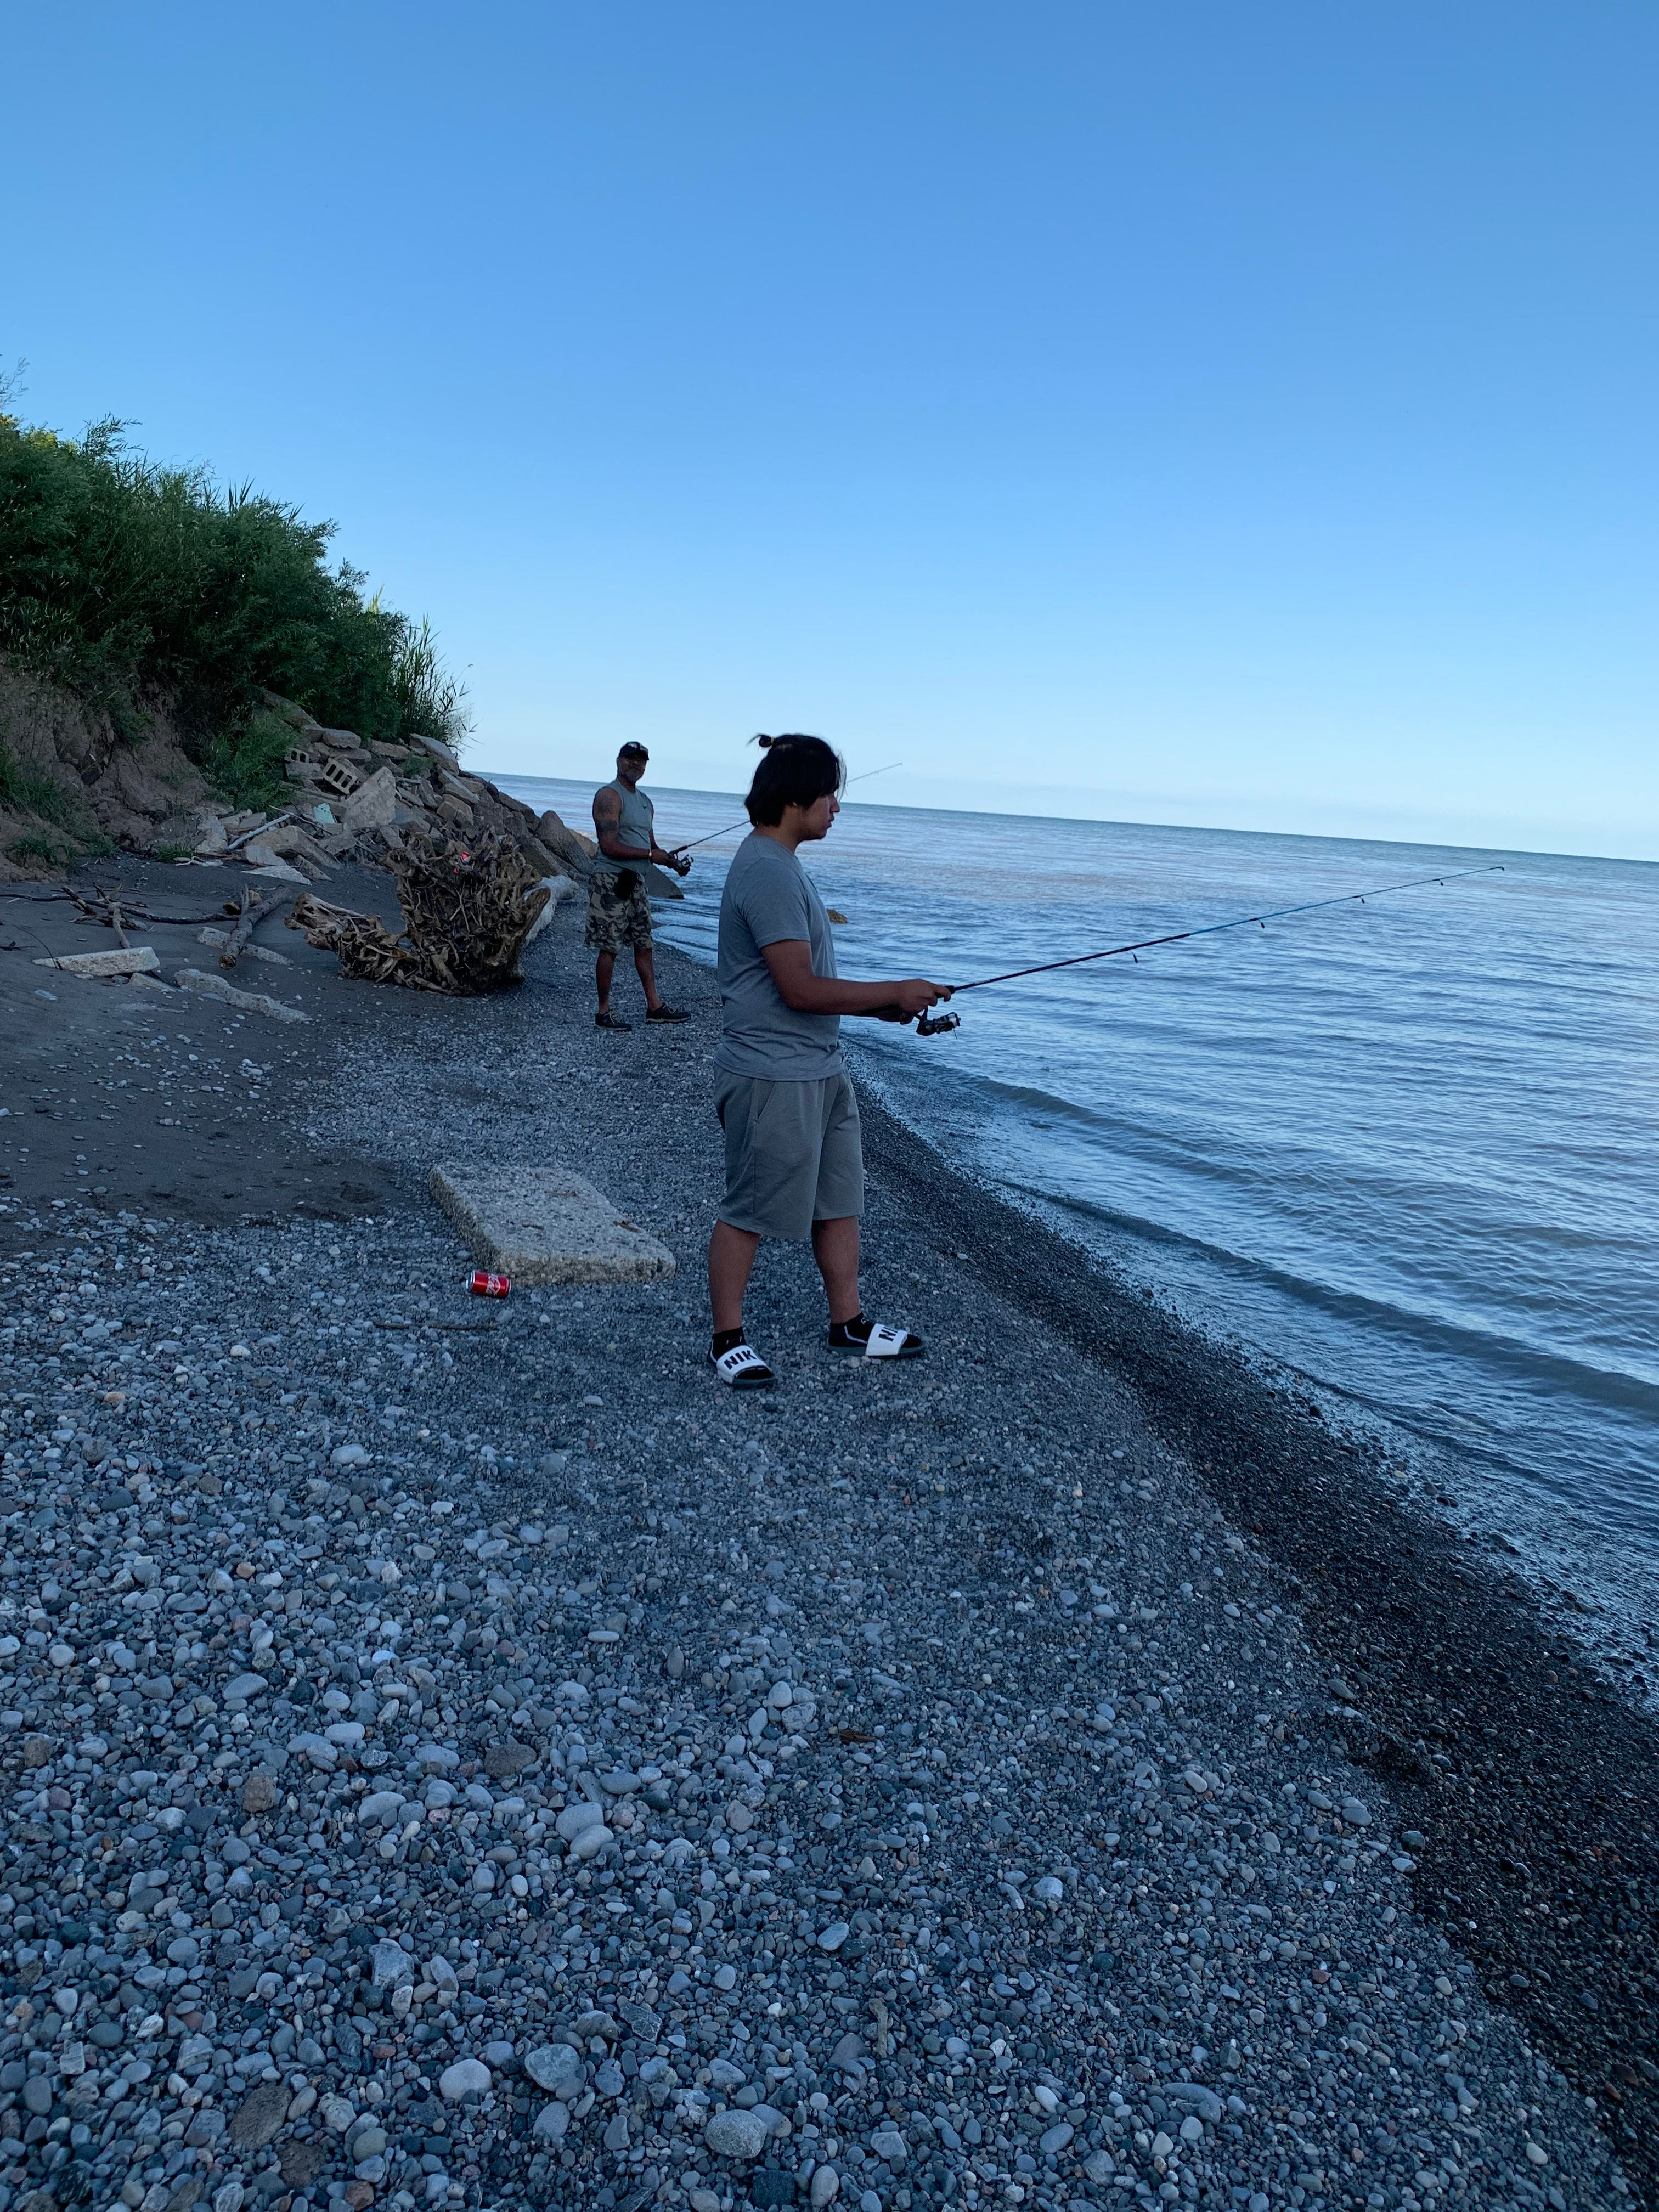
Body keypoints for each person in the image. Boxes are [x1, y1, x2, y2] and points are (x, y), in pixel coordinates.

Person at [707, 733, 951, 1388]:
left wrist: (885, 1008)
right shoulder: (765, 869)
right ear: (796, 798)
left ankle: (849, 1324)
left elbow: (809, 988)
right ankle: (726, 1337)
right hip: (771, 1073)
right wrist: (890, 991)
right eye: (830, 793)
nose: (837, 806)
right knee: (749, 1208)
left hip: (819, 1066)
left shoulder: (783, 864)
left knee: (840, 1199)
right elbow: (797, 989)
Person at [586, 742, 693, 1030]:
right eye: (631, 759)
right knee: (609, 948)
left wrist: (673, 863)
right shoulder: (609, 796)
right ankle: (603, 1012)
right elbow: (608, 846)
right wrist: (649, 855)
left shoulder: (646, 802)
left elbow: (651, 847)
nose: (636, 764)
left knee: (644, 946)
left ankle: (654, 1007)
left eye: (641, 761)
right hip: (611, 881)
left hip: (638, 884)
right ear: (619, 761)